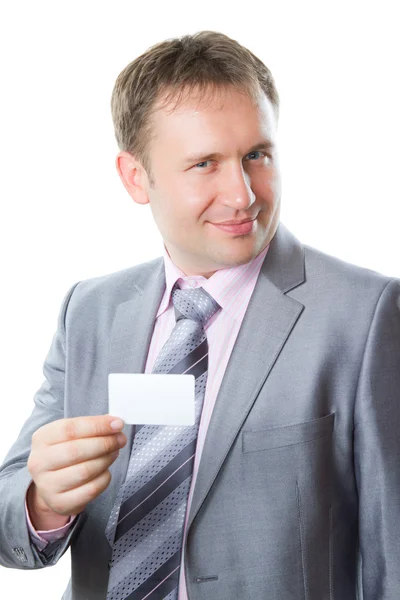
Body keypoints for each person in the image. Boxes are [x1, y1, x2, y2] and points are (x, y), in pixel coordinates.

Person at [0, 30, 399, 600]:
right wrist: (44, 500)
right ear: (136, 177)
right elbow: (9, 515)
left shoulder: (366, 317)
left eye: (256, 155)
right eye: (205, 163)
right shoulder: (89, 310)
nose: (242, 195)